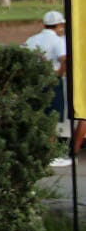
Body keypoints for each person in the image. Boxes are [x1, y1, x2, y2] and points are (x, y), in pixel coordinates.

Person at [23, 11, 70, 151]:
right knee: (52, 117)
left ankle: (35, 149)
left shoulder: (32, 39)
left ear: (44, 24)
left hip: (35, 80)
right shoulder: (58, 41)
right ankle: (49, 150)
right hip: (52, 81)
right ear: (60, 25)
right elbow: (64, 59)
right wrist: (59, 74)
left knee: (36, 114)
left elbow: (24, 55)